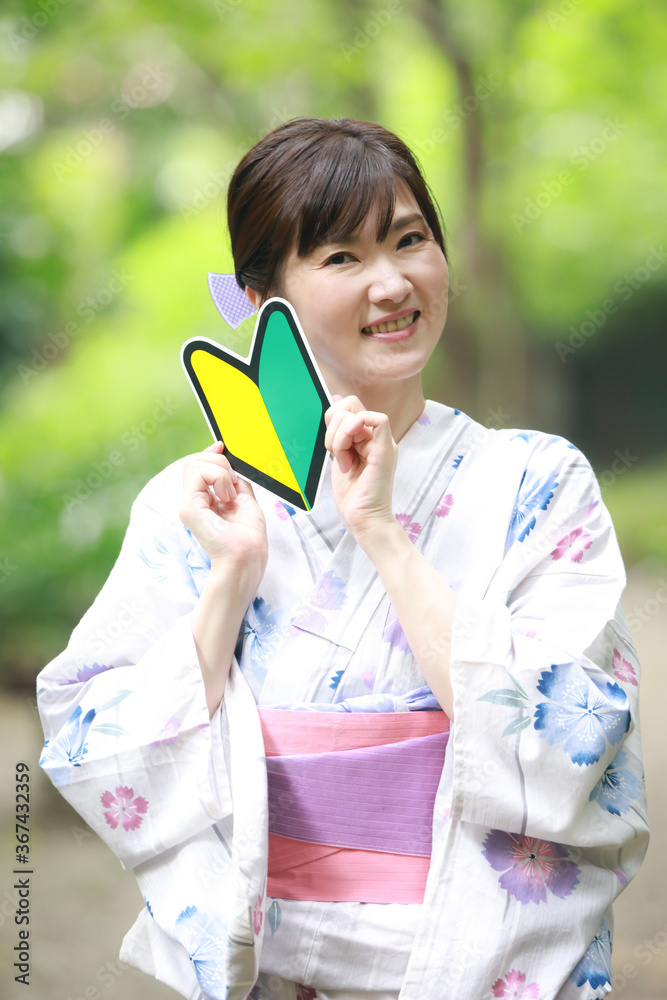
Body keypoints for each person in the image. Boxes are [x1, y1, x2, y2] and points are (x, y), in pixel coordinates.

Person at [37, 117, 648, 1000]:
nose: (392, 283)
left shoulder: (538, 483)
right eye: (340, 257)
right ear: (262, 299)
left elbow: (573, 738)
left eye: (410, 240)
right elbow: (93, 734)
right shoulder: (200, 505)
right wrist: (230, 579)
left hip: (474, 953)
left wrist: (382, 533)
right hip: (272, 964)